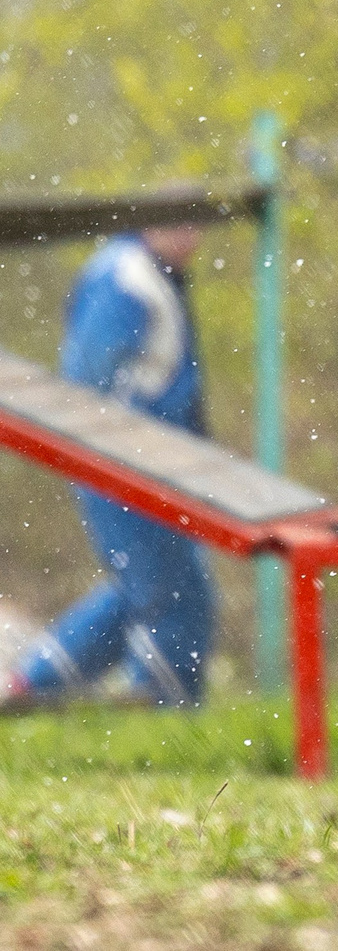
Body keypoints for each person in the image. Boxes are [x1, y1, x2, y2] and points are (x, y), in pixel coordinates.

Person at [2, 223, 217, 708]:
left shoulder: (154, 276)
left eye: (194, 227)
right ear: (150, 223)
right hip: (127, 461)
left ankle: (31, 687)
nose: (190, 239)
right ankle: (163, 704)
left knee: (140, 589)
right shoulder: (124, 276)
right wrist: (138, 449)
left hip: (152, 461)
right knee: (174, 592)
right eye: (179, 225)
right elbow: (94, 378)